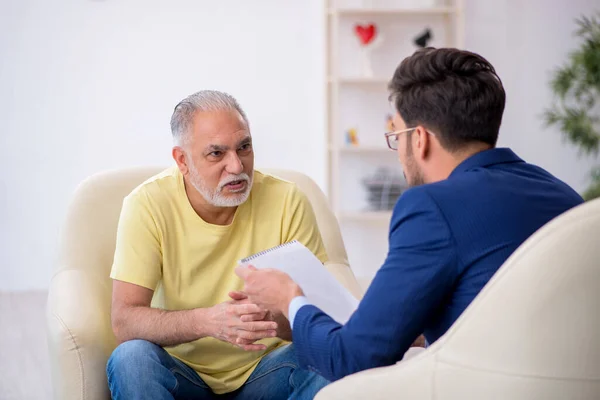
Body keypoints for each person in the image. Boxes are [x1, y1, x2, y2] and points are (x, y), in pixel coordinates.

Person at [235, 47, 585, 384]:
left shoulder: (431, 206)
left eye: (396, 135)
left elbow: (352, 361)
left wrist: (290, 299)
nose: (398, 153)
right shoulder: (563, 194)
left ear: (419, 139)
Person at [106, 90, 330, 399]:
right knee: (130, 359)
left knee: (328, 357)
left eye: (244, 147)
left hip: (268, 371)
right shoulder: (147, 204)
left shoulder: (288, 201)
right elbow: (125, 320)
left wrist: (271, 319)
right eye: (216, 154)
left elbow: (322, 319)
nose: (237, 166)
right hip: (181, 373)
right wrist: (208, 321)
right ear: (182, 160)